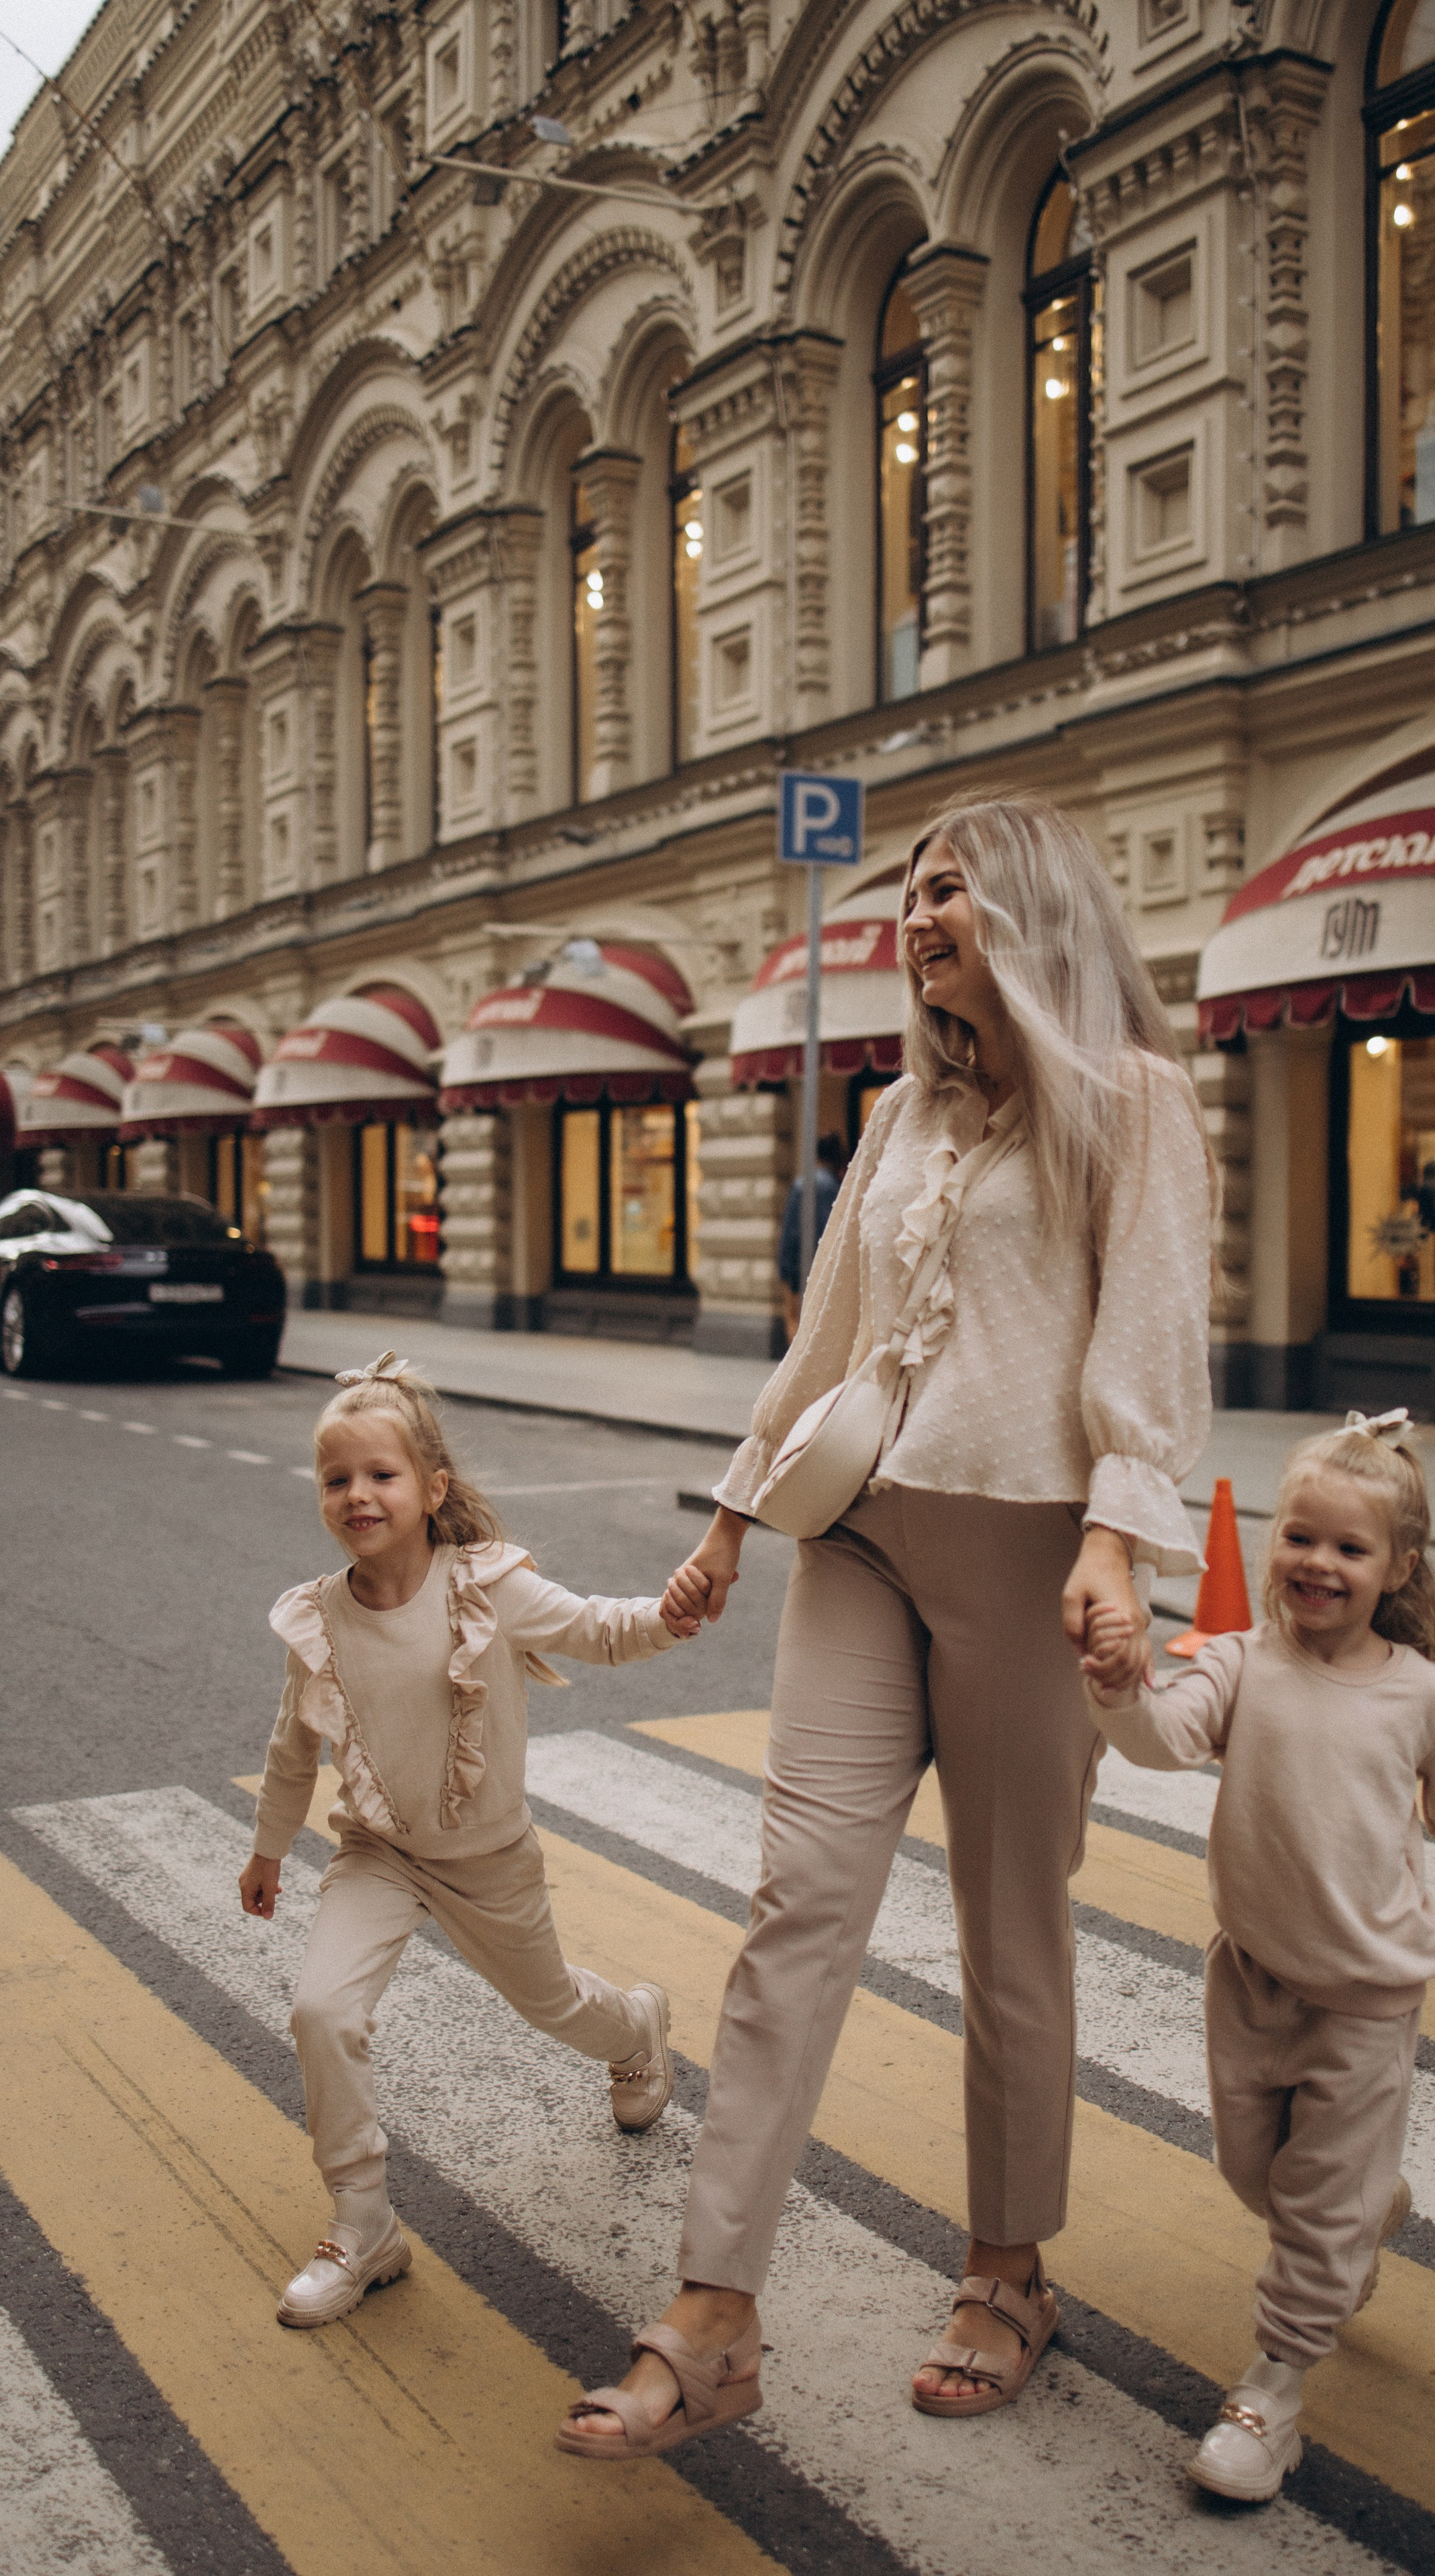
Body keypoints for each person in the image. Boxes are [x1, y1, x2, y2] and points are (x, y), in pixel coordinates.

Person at [557, 792, 1215, 2461]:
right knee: (797, 1902)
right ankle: (710, 2311)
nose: (920, 909)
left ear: (1038, 907)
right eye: (912, 887)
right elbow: (827, 1335)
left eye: (953, 885)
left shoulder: (1132, 1102)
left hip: (1021, 1552)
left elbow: (1149, 1337)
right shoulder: (897, 1115)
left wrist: (1118, 1541)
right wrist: (727, 1514)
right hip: (856, 1535)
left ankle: (1008, 2269)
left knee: (1010, 1933)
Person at [1083, 1408, 1435, 2505]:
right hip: (1254, 1980)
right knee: (1257, 2175)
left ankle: (1270, 2396)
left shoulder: (1422, 1698)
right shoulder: (1237, 1662)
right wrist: (1119, 1677)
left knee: (1315, 2206)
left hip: (1371, 1995)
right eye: (1301, 1537)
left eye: (1350, 1548)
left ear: (1397, 1568)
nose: (1318, 1564)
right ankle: (1372, 2209)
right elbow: (1160, 1740)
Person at [237, 1350, 697, 2328]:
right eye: (337, 1479)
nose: (358, 1495)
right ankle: (363, 2226)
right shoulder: (318, 1617)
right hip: (378, 1853)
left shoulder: (485, 1588)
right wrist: (270, 1849)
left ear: (432, 1489)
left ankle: (639, 2028)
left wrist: (672, 1612)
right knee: (322, 2012)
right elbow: (292, 1749)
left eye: (381, 1475)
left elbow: (601, 1630)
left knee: (557, 2008)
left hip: (488, 1863)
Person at [777, 1132, 849, 1340]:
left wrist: (785, 1268)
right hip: (828, 1266)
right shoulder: (840, 1188)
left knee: (795, 1319)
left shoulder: (801, 1185)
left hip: (801, 1266)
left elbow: (790, 1232)